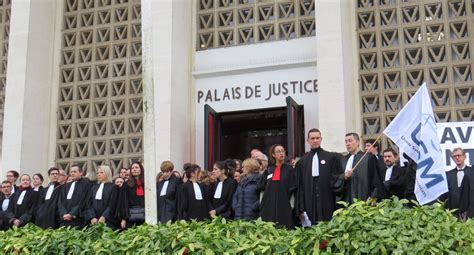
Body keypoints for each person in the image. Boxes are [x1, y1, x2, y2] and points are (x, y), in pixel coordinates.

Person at [295, 128, 344, 225]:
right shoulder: (302, 162)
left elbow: (337, 178)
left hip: (327, 198)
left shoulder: (332, 157)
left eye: (317, 138)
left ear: (321, 139)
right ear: (308, 140)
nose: (315, 141)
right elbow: (299, 185)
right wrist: (300, 207)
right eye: (312, 138)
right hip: (310, 199)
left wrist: (343, 177)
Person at [260, 144, 297, 228]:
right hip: (268, 207)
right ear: (273, 155)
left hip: (285, 205)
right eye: (278, 151)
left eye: (282, 151)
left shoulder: (290, 170)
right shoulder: (269, 170)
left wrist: (291, 206)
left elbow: (293, 189)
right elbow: (262, 189)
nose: (281, 153)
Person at [341, 133, 377, 203]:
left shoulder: (368, 158)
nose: (348, 144)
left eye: (350, 141)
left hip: (364, 199)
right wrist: (344, 176)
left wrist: (373, 197)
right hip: (347, 200)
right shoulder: (343, 160)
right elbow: (337, 179)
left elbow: (375, 179)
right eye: (346, 142)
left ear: (358, 142)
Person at [58, 164, 92, 228]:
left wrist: (72, 214)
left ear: (81, 173)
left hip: (78, 219)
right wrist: (64, 214)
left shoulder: (86, 185)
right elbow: (61, 202)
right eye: (71, 172)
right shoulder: (66, 186)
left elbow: (83, 202)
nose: (72, 173)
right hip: (64, 219)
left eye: (74, 172)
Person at [445, 148, 473, 218]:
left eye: (459, 155)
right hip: (453, 212)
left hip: (470, 211)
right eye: (455, 156)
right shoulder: (448, 174)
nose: (457, 158)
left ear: (464, 157)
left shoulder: (472, 172)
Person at [117, 162, 145, 229]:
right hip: (130, 216)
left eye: (136, 167)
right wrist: (124, 218)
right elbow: (123, 202)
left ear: (141, 169)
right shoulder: (126, 185)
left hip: (145, 215)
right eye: (132, 168)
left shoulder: (146, 183)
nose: (134, 169)